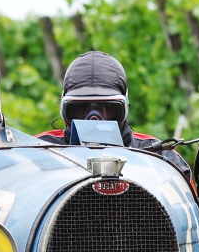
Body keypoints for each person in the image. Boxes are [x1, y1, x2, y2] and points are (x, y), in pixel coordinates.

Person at [39, 51, 190, 176]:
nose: (93, 119)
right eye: (81, 108)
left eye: (107, 108)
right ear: (65, 111)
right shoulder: (37, 152)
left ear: (125, 108)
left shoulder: (162, 158)